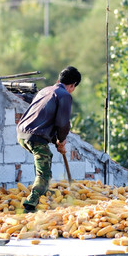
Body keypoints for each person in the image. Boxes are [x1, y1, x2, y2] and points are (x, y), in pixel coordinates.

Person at [16, 66, 81, 212]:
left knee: (43, 159)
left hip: (22, 134)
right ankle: (31, 203)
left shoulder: (45, 91)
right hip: (36, 137)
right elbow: (62, 123)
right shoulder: (64, 95)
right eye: (74, 87)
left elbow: (46, 119)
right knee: (44, 173)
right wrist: (62, 140)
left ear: (59, 80)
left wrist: (57, 141)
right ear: (73, 85)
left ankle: (43, 193)